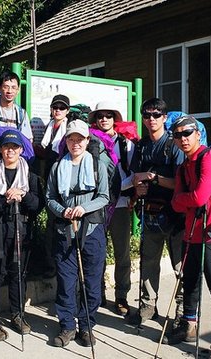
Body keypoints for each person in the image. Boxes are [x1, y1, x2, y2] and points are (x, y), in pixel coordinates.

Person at [167, 115, 211, 359]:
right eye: (178, 135)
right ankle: (189, 326)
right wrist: (184, 200)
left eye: (188, 133)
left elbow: (194, 198)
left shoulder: (210, 159)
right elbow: (180, 202)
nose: (183, 138)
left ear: (198, 134)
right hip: (191, 233)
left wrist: (182, 200)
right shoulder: (183, 166)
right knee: (191, 283)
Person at [46, 119, 109, 348]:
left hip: (91, 230)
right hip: (65, 230)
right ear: (66, 140)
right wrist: (63, 211)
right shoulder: (57, 166)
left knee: (91, 281)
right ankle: (67, 326)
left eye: (80, 139)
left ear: (87, 140)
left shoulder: (97, 165)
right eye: (71, 139)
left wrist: (84, 208)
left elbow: (104, 197)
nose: (76, 143)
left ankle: (86, 325)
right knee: (66, 281)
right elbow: (50, 197)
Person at [0, 130, 43, 341]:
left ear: (21, 150)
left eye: (15, 147)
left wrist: (22, 196)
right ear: (1, 150)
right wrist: (3, 201)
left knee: (17, 274)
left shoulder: (30, 176)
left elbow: (38, 205)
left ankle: (17, 314)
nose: (10, 150)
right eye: (6, 147)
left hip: (20, 231)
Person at [128, 98, 186, 324]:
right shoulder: (142, 146)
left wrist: (153, 178)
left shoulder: (174, 146)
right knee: (148, 262)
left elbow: (181, 183)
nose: (150, 119)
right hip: (150, 211)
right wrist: (138, 187)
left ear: (164, 117)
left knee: (180, 266)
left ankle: (184, 312)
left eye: (156, 114)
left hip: (175, 214)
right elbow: (136, 176)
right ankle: (147, 306)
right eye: (146, 115)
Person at [88, 101, 135, 316]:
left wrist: (119, 188)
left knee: (122, 253)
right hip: (96, 206)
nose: (104, 119)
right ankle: (96, 293)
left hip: (121, 205)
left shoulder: (127, 144)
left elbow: (134, 175)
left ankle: (122, 296)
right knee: (96, 251)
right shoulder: (90, 142)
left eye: (108, 115)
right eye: (100, 115)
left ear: (114, 118)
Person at [38, 94, 71, 277]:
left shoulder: (68, 129)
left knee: (63, 224)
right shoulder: (49, 127)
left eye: (62, 107)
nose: (58, 110)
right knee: (51, 224)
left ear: (67, 111)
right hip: (50, 181)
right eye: (55, 107)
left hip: (64, 183)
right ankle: (51, 265)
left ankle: (63, 264)